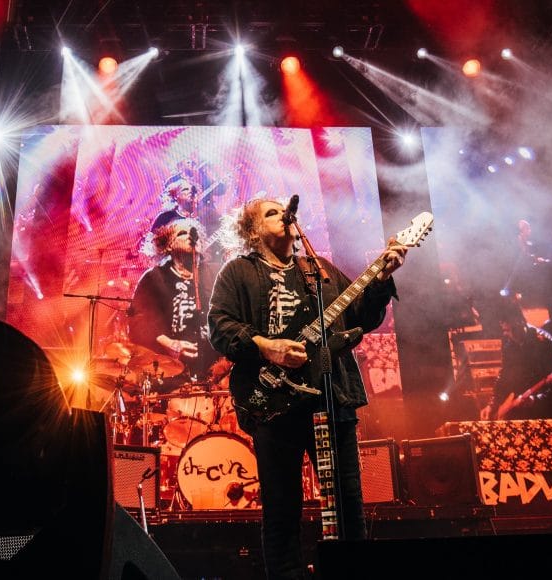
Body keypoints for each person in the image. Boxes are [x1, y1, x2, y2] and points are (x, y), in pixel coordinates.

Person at [207, 198, 406, 579]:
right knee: (282, 508)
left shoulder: (320, 271)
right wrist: (266, 346)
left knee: (347, 503)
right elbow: (220, 326)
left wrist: (381, 281)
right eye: (270, 212)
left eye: (284, 209)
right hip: (273, 403)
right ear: (252, 231)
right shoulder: (238, 273)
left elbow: (363, 314)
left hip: (331, 398)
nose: (283, 214)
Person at [130, 216, 217, 386]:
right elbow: (137, 321)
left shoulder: (216, 273)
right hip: (169, 373)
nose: (192, 236)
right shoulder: (154, 278)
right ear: (169, 244)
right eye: (183, 233)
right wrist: (169, 343)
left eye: (196, 233)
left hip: (213, 371)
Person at [480, 296, 552, 421]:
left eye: (510, 330)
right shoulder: (508, 345)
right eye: (504, 330)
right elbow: (504, 376)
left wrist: (535, 399)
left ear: (520, 322)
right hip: (521, 407)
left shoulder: (543, 341)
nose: (507, 334)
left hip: (547, 410)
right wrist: (492, 405)